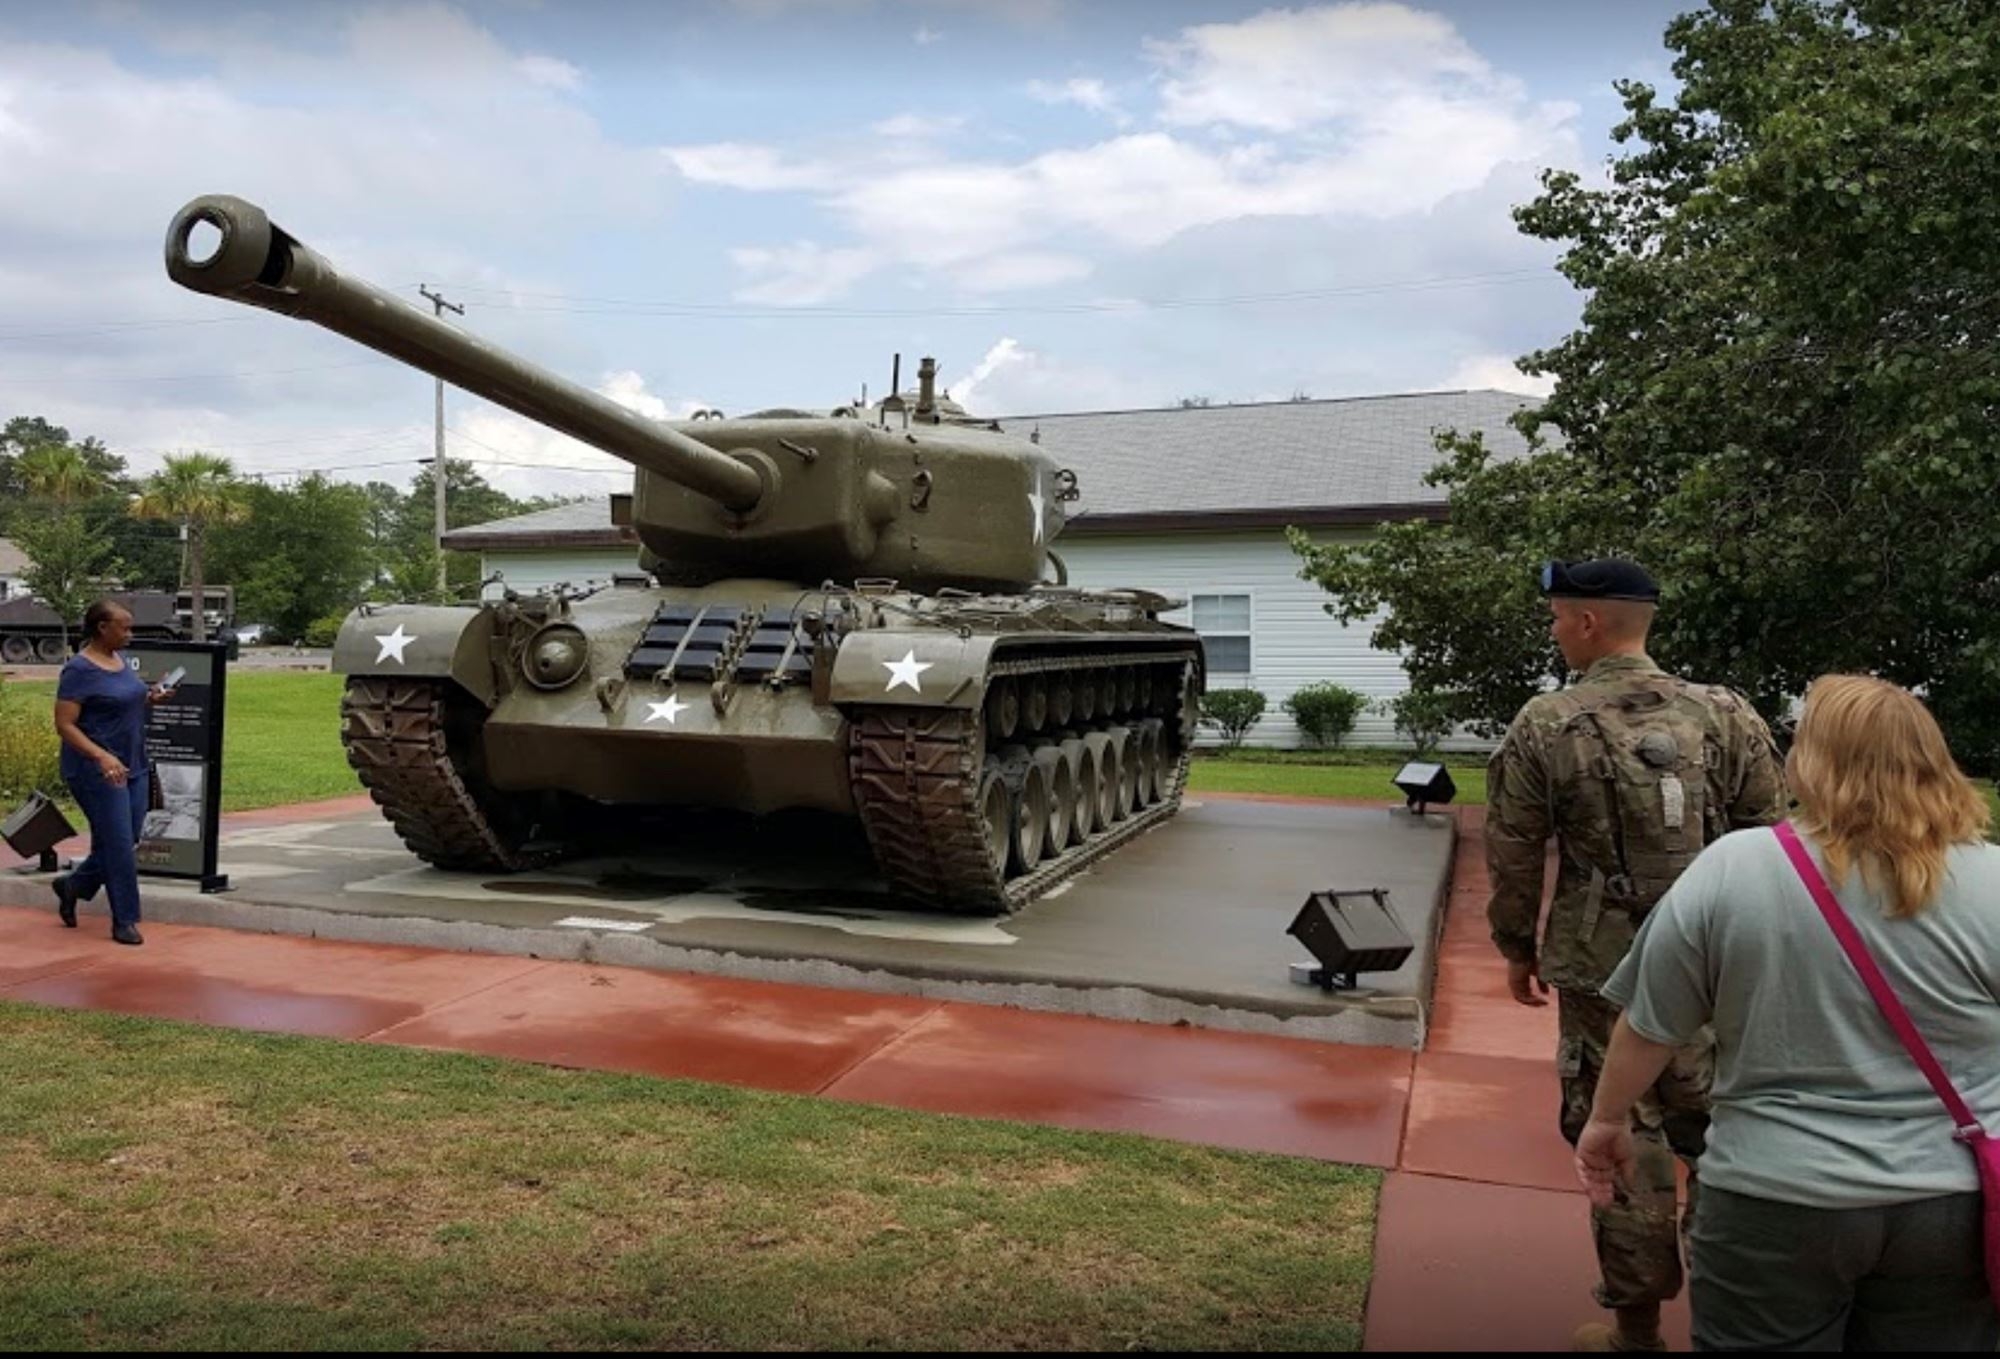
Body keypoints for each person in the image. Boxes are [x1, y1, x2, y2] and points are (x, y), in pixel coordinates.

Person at [1580, 676, 2000, 1351]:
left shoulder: (1734, 868)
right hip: (1951, 1201)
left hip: (1772, 1195)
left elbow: (1650, 1022)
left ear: (1813, 759)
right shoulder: (1993, 881)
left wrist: (1605, 1120)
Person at [1485, 558, 1787, 1352]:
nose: (1554, 631)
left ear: (1588, 623)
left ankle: (1636, 1330)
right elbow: (1773, 835)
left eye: (1557, 617)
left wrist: (1517, 946)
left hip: (1600, 965)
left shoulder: (1547, 721)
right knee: (1726, 1132)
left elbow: (1514, 846)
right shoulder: (1726, 714)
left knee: (1621, 1134)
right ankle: (1738, 1321)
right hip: (1721, 959)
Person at [50, 600, 176, 945]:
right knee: (119, 846)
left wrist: (151, 697)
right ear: (102, 628)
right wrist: (101, 756)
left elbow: (122, 699)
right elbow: (64, 724)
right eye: (124, 627)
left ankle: (74, 885)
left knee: (127, 838)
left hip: (133, 766)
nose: (130, 634)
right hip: (96, 770)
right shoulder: (78, 670)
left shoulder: (118, 660)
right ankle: (125, 920)